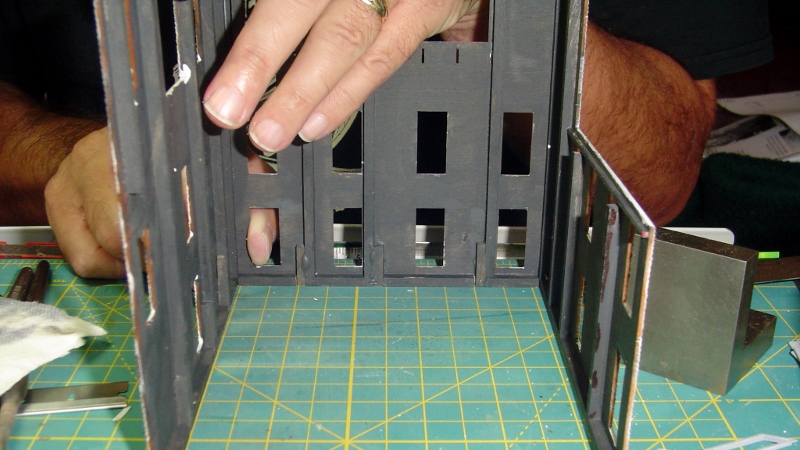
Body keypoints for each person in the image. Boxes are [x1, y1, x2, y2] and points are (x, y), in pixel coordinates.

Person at [0, 0, 773, 278]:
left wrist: (498, 17)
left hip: (504, 277)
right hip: (181, 271)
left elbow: (660, 178)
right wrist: (65, 153)